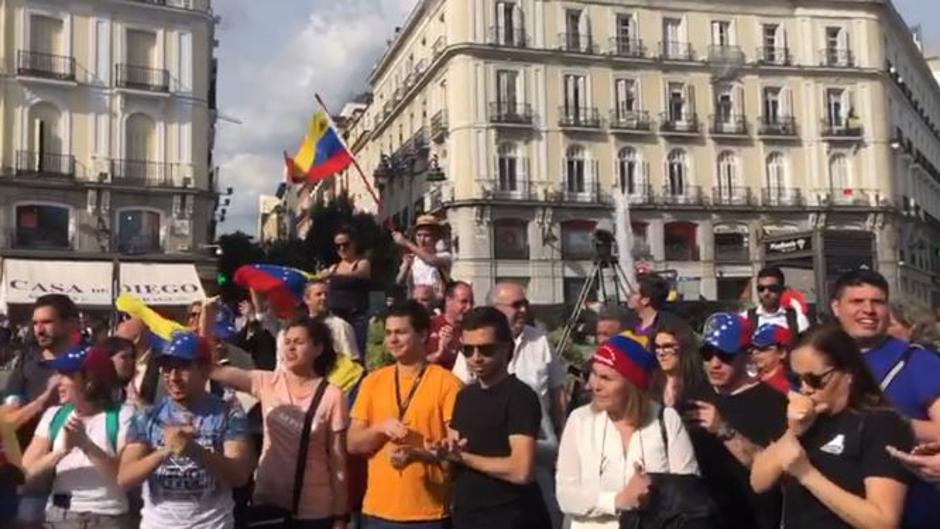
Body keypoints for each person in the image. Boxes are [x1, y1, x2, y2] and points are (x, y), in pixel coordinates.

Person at [751, 324, 915, 529]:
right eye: (796, 379)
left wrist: (807, 474)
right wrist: (794, 431)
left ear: (848, 373)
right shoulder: (805, 420)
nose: (805, 389)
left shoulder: (881, 424)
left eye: (814, 379)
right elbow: (759, 482)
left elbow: (883, 521)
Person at [210, 317, 349, 529]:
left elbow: (338, 461)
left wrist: (340, 517)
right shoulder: (267, 382)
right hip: (269, 501)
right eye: (288, 342)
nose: (291, 348)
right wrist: (207, 321)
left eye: (299, 342)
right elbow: (213, 371)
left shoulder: (332, 395)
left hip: (315, 508)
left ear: (318, 349)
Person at [830, 269, 940, 527]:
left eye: (877, 302)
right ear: (836, 307)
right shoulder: (822, 359)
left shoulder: (918, 361)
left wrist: (884, 424)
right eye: (857, 301)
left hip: (911, 512)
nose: (868, 310)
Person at [556, 332, 699, 529]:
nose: (594, 385)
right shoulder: (580, 420)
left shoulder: (666, 420)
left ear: (631, 386)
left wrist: (654, 491)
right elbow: (566, 496)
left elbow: (690, 492)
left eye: (606, 378)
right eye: (594, 374)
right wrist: (617, 500)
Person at [452, 283, 566, 529]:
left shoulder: (521, 396)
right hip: (468, 516)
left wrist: (464, 458)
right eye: (468, 350)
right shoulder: (464, 396)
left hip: (512, 517)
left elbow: (521, 469)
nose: (476, 357)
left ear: (506, 350)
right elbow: (452, 451)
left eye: (486, 349)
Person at [117, 332, 253, 529]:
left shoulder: (229, 414)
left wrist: (193, 450)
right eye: (167, 369)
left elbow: (239, 475)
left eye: (183, 368)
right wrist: (165, 451)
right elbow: (125, 478)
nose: (173, 378)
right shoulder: (147, 416)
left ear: (205, 370)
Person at [347, 301, 462, 529]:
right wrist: (380, 428)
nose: (392, 339)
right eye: (389, 333)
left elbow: (456, 449)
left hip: (428, 513)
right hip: (377, 511)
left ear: (422, 334)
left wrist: (419, 454)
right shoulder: (372, 382)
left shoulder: (447, 383)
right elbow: (352, 444)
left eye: (400, 332)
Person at [685, 313, 788, 529]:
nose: (714, 363)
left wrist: (723, 429)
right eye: (707, 353)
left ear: (747, 355)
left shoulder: (773, 403)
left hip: (753, 520)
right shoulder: (693, 396)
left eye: (725, 355)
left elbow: (774, 471)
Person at [21, 345, 134, 529]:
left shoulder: (123, 416)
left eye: (67, 376)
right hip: (60, 517)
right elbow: (25, 473)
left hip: (107, 517)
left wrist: (86, 445)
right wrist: (60, 452)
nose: (59, 382)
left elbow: (124, 476)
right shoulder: (54, 415)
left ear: (90, 381)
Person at [2, 294, 80, 526]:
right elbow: (7, 417)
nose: (39, 329)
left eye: (47, 322)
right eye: (35, 323)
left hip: (79, 470)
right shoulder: (27, 364)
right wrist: (41, 403)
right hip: (33, 474)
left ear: (71, 324)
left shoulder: (89, 361)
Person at [324, 225, 372, 360]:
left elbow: (359, 274)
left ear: (353, 244)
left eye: (345, 244)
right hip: (337, 316)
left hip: (356, 317)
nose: (341, 249)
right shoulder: (334, 267)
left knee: (356, 355)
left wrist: (331, 276)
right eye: (337, 246)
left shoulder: (362, 263)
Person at [649, 319, 708, 409]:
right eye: (657, 347)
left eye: (667, 346)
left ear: (684, 348)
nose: (661, 353)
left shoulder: (701, 386)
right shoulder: (649, 385)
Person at [394, 215, 452, 299]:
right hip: (417, 305)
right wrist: (406, 267)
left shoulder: (444, 256)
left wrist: (406, 243)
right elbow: (399, 282)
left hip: (437, 305)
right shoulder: (413, 259)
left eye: (427, 235)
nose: (422, 240)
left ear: (436, 237)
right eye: (419, 235)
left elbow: (430, 260)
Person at [742, 267, 810, 336]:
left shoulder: (797, 319)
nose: (766, 293)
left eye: (772, 288)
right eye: (761, 289)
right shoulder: (745, 318)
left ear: (782, 290)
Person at [305, 279, 360, 360]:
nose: (323, 297)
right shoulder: (301, 326)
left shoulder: (340, 326)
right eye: (318, 294)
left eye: (326, 294)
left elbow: (351, 360)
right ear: (307, 299)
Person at [425, 281, 474, 370]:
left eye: (471, 302)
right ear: (448, 300)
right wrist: (439, 354)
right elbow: (413, 364)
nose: (469, 307)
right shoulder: (429, 326)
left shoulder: (474, 329)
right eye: (464, 302)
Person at [625, 274, 682, 341]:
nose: (628, 295)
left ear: (645, 300)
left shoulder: (666, 328)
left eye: (634, 293)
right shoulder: (627, 322)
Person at [750, 324, 793, 394]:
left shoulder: (790, 387)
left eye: (762, 348)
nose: (755, 352)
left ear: (782, 352)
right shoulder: (748, 381)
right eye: (752, 348)